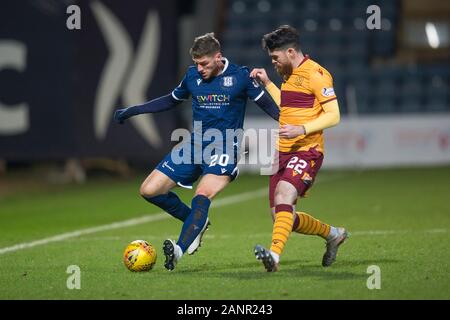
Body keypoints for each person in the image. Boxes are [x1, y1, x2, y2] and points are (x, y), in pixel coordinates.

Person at [114, 32, 279, 271]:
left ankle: (179, 249)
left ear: (218, 57)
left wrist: (298, 126)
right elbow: (170, 100)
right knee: (149, 190)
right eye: (196, 64)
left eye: (204, 63)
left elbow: (270, 108)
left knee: (202, 194)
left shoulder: (241, 76)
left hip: (225, 147)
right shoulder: (192, 77)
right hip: (194, 146)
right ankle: (196, 222)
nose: (199, 68)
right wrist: (135, 110)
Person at [250, 25, 348, 272]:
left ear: (291, 51)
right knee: (283, 218)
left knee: (284, 194)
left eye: (275, 57)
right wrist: (269, 83)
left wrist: (302, 129)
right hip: (282, 152)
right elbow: (288, 105)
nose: (273, 62)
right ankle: (333, 234)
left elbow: (334, 115)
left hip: (308, 150)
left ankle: (274, 256)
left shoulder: (317, 74)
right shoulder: (288, 75)